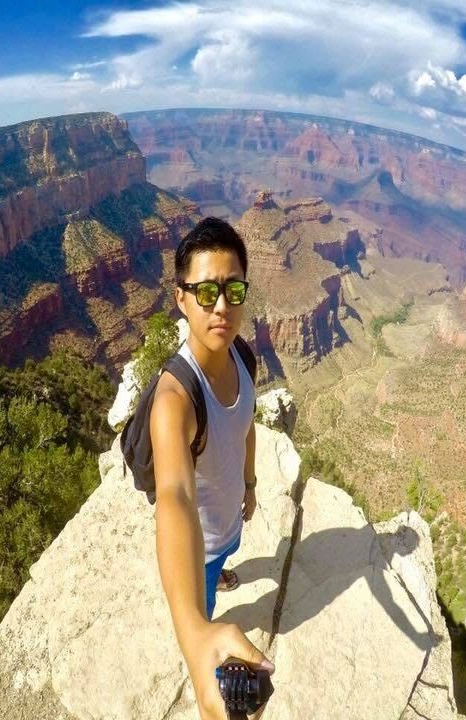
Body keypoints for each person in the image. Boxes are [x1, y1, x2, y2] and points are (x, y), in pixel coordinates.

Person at [150, 217, 276, 720]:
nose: (222, 306)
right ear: (181, 299)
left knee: (226, 552)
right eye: (206, 292)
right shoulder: (174, 400)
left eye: (233, 289)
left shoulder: (241, 355)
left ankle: (222, 571)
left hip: (228, 523)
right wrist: (195, 633)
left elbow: (245, 424)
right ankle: (205, 609)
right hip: (197, 547)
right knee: (203, 608)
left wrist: (250, 483)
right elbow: (174, 498)